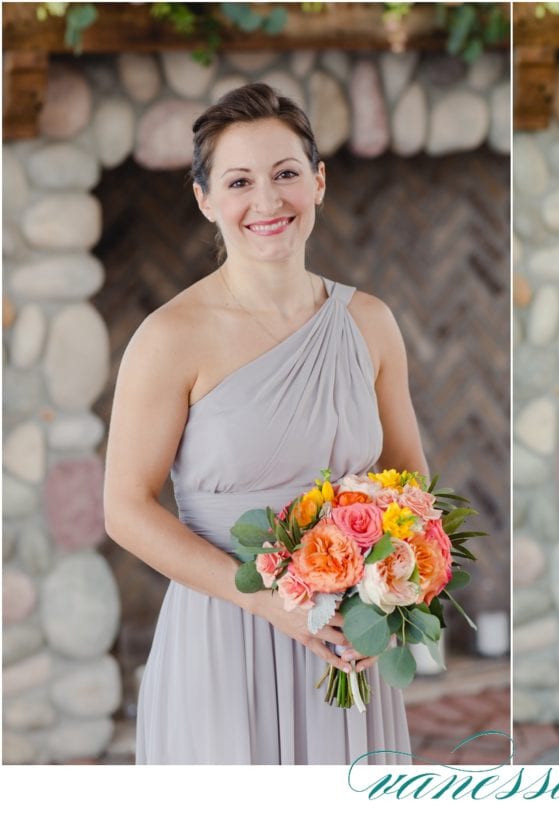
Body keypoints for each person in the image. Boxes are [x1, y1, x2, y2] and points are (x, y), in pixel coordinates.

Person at [104, 83, 427, 764]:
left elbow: (410, 480)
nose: (268, 201)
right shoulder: (169, 337)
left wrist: (393, 597)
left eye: (285, 174)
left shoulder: (371, 322)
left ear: (318, 181)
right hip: (224, 632)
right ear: (206, 199)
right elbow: (125, 509)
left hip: (349, 635)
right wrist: (267, 602)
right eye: (240, 181)